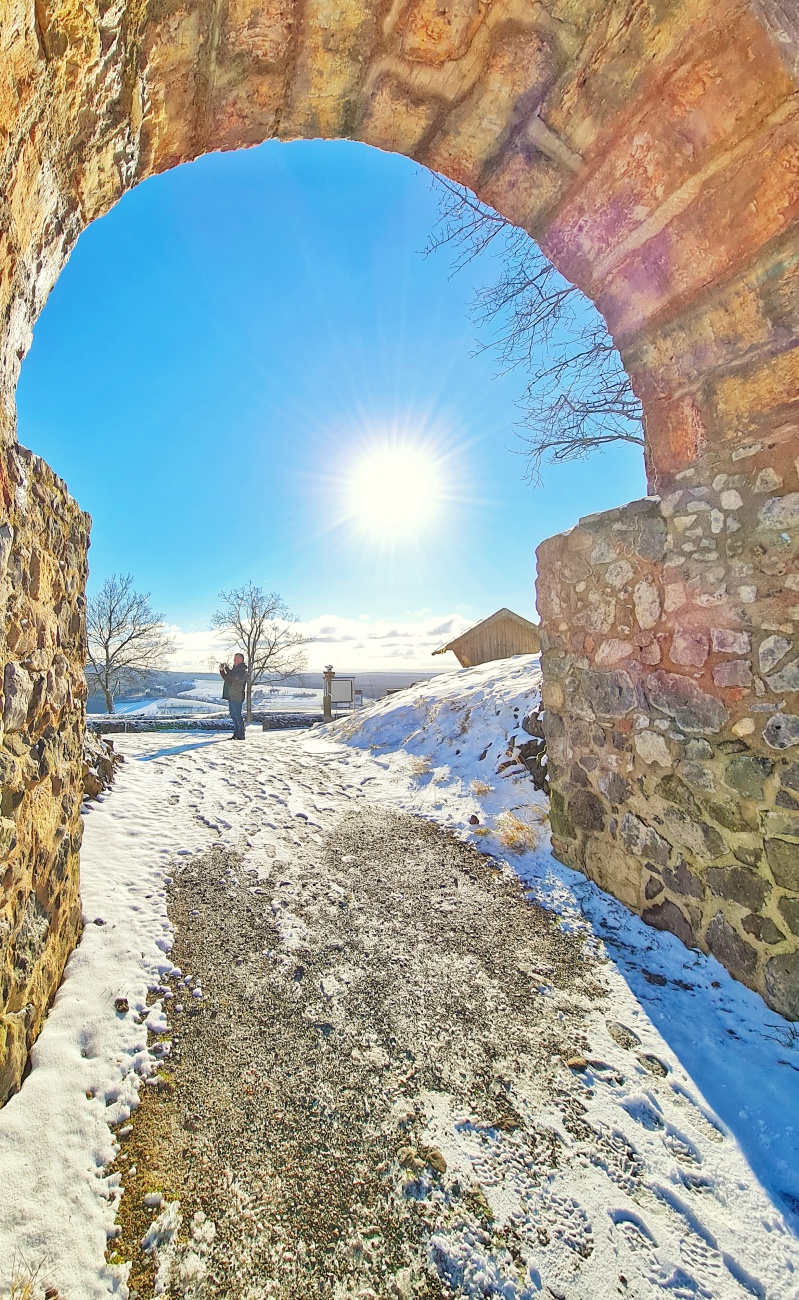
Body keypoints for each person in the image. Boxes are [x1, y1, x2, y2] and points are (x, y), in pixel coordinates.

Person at [219, 653, 247, 740]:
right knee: (233, 716)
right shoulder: (235, 670)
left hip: (237, 696)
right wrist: (222, 671)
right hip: (232, 696)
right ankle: (236, 734)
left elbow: (235, 677)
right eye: (234, 659)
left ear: (241, 660)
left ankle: (241, 734)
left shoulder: (242, 671)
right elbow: (228, 679)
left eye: (236, 659)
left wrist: (227, 668)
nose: (234, 660)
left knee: (237, 715)